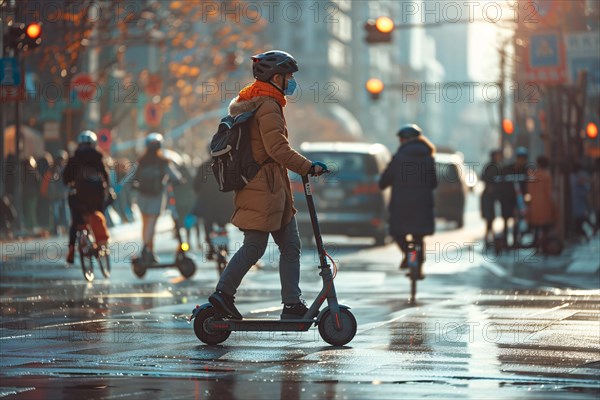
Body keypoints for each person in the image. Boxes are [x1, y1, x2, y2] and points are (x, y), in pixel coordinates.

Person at [207, 50, 327, 320]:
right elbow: (277, 149)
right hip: (263, 188)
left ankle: (292, 304)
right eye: (288, 77)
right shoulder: (268, 105)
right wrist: (308, 167)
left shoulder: (257, 101)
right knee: (255, 246)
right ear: (276, 77)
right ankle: (223, 294)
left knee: (290, 245)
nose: (292, 82)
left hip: (272, 188)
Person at [379, 124, 437, 279]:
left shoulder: (398, 158)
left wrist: (385, 182)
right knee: (419, 235)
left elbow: (384, 181)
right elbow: (434, 183)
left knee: (398, 232)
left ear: (404, 140)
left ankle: (409, 255)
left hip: (402, 206)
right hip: (423, 205)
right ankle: (419, 265)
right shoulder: (428, 157)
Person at [62, 131, 111, 264]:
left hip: (79, 197)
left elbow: (66, 179)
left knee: (76, 222)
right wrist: (107, 189)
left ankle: (71, 251)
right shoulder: (98, 157)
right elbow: (105, 176)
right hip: (97, 197)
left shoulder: (74, 159)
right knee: (98, 215)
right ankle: (100, 243)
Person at [133, 133, 181, 263]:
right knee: (152, 225)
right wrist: (179, 181)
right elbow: (175, 177)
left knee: (145, 224)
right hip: (157, 196)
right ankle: (145, 251)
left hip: (142, 196)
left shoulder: (141, 161)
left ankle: (149, 252)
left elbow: (133, 178)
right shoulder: (163, 162)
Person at [193, 151, 234, 259]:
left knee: (207, 225)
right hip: (225, 203)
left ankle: (211, 248)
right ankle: (225, 246)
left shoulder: (203, 167)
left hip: (208, 204)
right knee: (222, 224)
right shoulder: (227, 165)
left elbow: (196, 185)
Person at [498, 146, 530, 248]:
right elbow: (500, 184)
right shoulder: (506, 170)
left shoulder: (525, 171)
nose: (521, 160)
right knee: (506, 221)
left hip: (518, 201)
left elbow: (527, 186)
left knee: (517, 221)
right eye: (519, 158)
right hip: (506, 199)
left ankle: (516, 241)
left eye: (523, 158)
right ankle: (505, 242)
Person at [527, 156, 556, 250]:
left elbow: (529, 190)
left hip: (534, 206)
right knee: (545, 228)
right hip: (545, 206)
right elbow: (548, 192)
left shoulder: (533, 175)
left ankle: (536, 245)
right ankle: (544, 246)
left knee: (536, 227)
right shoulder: (547, 175)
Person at [480, 150, 503, 244]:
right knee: (490, 218)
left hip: (492, 196)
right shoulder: (492, 167)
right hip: (489, 196)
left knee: (490, 218)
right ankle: (489, 238)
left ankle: (489, 238)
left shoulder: (495, 166)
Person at [570, 162, 592, 241]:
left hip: (577, 205)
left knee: (579, 222)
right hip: (578, 205)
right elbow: (587, 188)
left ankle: (585, 235)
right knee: (579, 222)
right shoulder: (576, 178)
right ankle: (586, 234)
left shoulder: (574, 177)